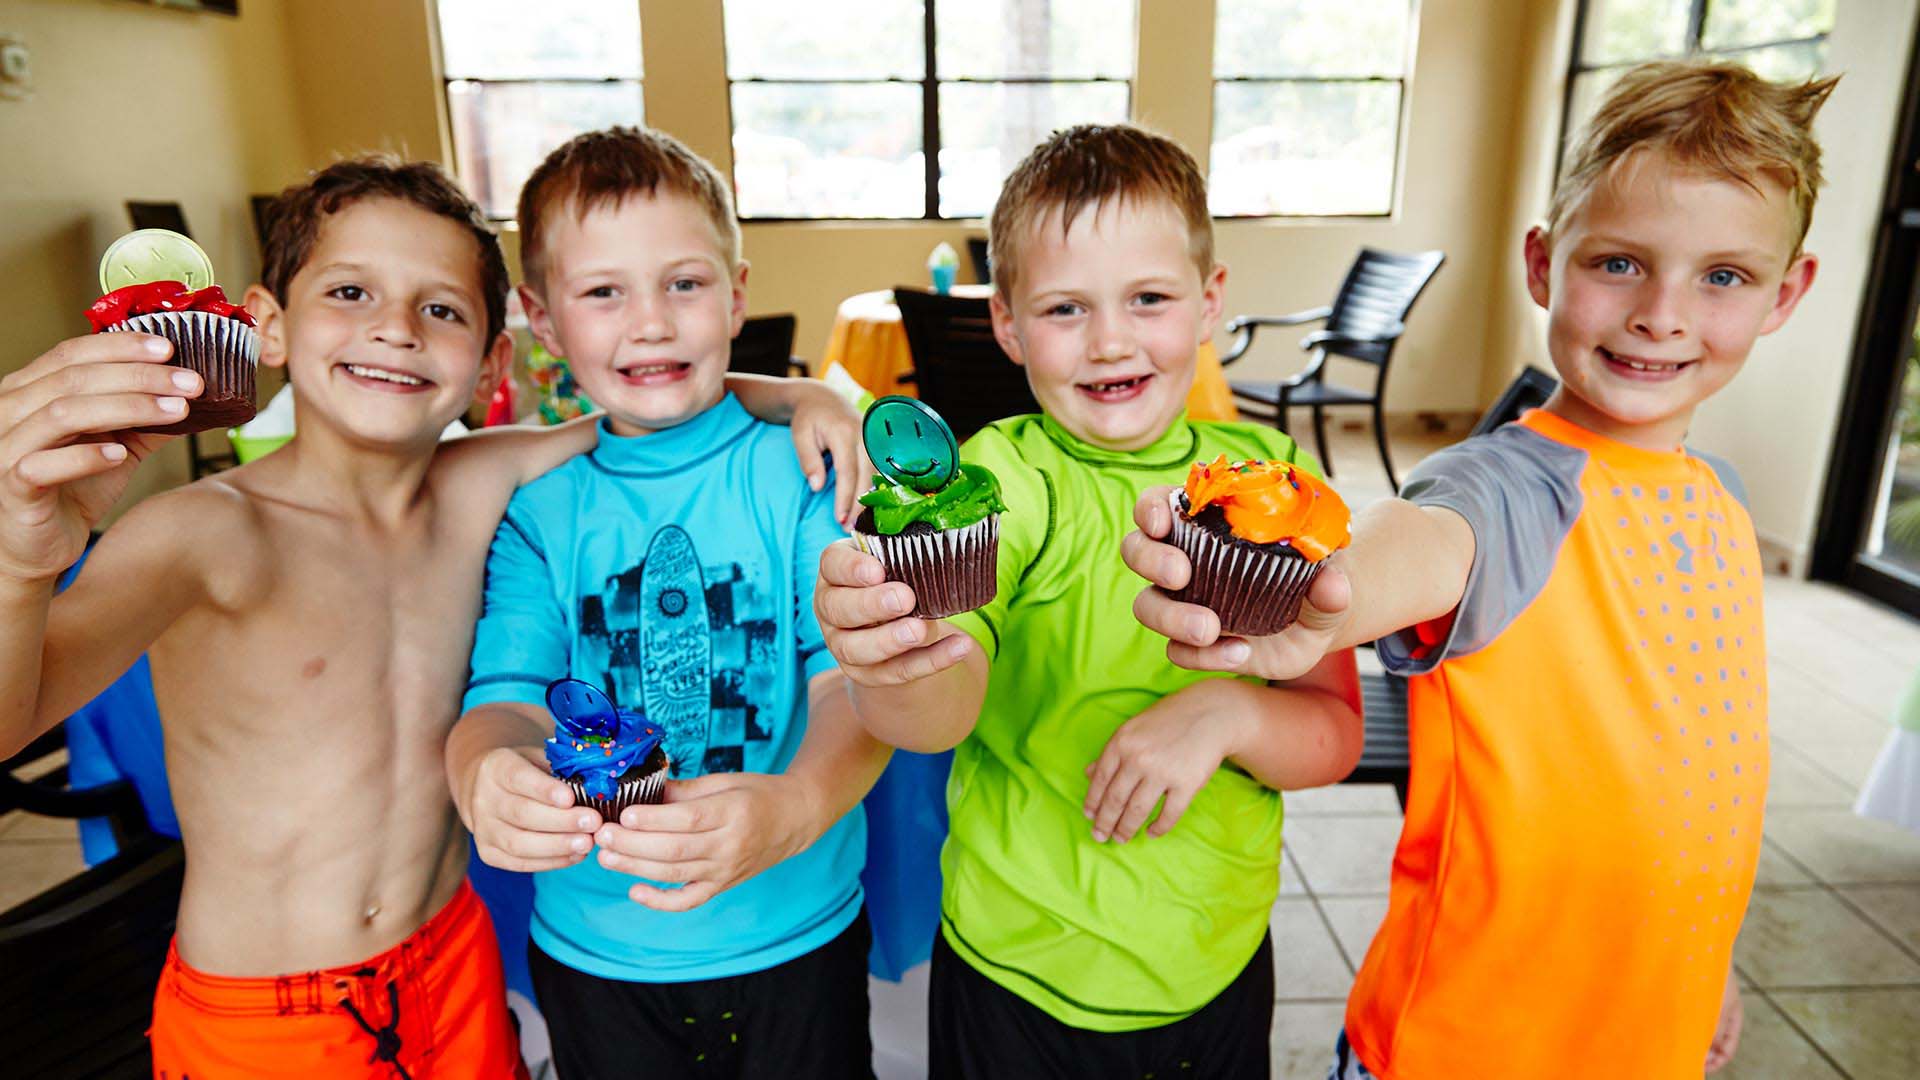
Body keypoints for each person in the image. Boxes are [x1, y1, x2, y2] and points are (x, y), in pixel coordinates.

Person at [0, 155, 860, 1078]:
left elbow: (662, 405)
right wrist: (17, 563)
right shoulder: (202, 533)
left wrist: (810, 397)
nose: (396, 331)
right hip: (266, 1008)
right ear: (268, 326)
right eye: (350, 291)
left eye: (441, 308)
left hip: (454, 966)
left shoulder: (482, 482)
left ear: (495, 355)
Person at [1120, 61, 1834, 1079]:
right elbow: (1416, 540)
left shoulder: (1718, 500)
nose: (1663, 313)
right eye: (1620, 263)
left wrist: (1705, 953)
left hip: (1649, 1033)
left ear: (1784, 294)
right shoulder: (1510, 486)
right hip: (1469, 1046)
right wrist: (1318, 602)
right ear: (1544, 263)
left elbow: (1700, 789)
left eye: (1723, 276)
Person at [813, 124, 1364, 1078]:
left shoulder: (1283, 488)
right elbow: (938, 717)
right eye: (1066, 308)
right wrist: (898, 659)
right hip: (1013, 968)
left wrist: (1228, 710)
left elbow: (1334, 737)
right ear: (1009, 324)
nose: (1111, 340)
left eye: (1148, 298)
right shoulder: (995, 483)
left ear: (1209, 302)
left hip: (1215, 960)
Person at [447, 127, 890, 1079]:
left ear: (737, 293)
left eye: (683, 284)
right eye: (604, 292)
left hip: (798, 931)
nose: (649, 322)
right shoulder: (539, 511)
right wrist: (482, 773)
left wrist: (800, 803)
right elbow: (508, 696)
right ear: (542, 317)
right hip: (597, 957)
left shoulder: (805, 474)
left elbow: (850, 685)